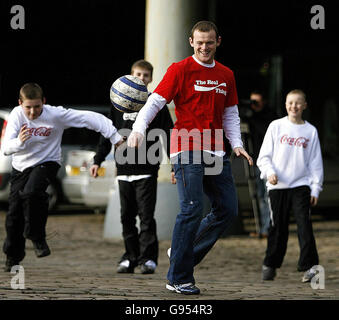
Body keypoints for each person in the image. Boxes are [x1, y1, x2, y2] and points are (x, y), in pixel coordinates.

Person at [128, 21, 252, 295]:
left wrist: (237, 144)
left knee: (227, 209)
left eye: (209, 42)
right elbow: (156, 101)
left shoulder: (226, 74)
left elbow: (230, 113)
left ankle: (182, 250)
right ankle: (178, 277)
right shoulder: (180, 70)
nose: (204, 47)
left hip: (217, 148)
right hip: (186, 145)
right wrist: (138, 129)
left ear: (218, 41)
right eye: (200, 42)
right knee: (192, 207)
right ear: (191, 42)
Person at [1, 82, 124, 272]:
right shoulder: (17, 115)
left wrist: (115, 137)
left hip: (47, 161)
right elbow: (7, 149)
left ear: (44, 102)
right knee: (13, 216)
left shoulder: (55, 114)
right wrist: (19, 141)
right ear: (20, 103)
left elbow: (91, 118)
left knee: (33, 192)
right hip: (21, 166)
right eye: (28, 107)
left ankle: (37, 237)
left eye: (37, 107)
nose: (33, 113)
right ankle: (13, 256)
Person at [90, 60, 173, 275]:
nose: (142, 78)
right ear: (131, 75)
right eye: (138, 74)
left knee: (146, 217)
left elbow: (170, 135)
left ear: (151, 79)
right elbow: (107, 132)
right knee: (126, 217)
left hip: (146, 169)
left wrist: (175, 165)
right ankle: (130, 256)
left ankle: (148, 259)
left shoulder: (157, 104)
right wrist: (97, 160)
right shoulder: (118, 102)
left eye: (146, 75)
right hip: (123, 170)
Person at [257, 89, 323, 283]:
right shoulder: (276, 127)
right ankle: (271, 264)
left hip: (301, 185)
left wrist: (316, 187)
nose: (293, 106)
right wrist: (270, 173)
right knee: (279, 227)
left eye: (297, 103)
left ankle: (310, 267)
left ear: (304, 106)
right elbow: (264, 157)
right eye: (290, 102)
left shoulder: (310, 131)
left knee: (304, 225)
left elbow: (315, 163)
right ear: (285, 105)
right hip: (277, 186)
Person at [246, 90, 277, 238]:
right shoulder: (251, 117)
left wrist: (252, 118)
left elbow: (263, 130)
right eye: (252, 102)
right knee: (259, 195)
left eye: (256, 102)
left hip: (269, 161)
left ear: (263, 102)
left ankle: (268, 228)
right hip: (256, 159)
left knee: (266, 196)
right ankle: (263, 227)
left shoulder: (270, 117)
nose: (254, 105)